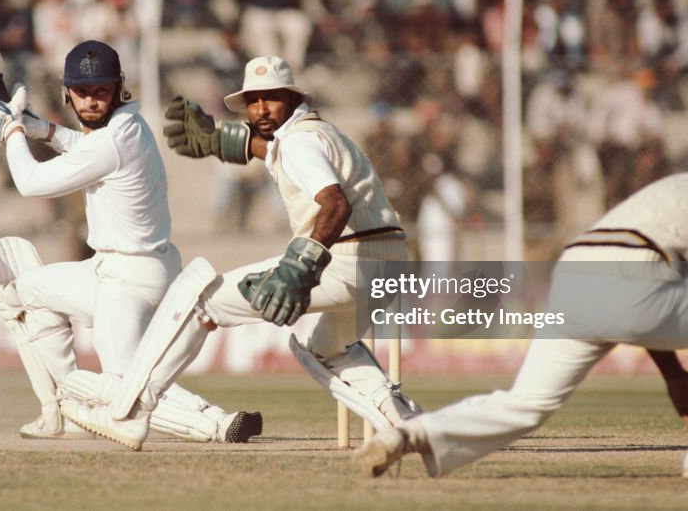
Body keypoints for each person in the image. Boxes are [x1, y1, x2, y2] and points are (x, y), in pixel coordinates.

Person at [60, 55, 419, 450]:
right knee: (327, 349)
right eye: (254, 100)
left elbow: (335, 204)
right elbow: (271, 151)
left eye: (271, 99)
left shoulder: (300, 142)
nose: (261, 109)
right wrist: (218, 140)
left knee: (198, 301)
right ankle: (405, 422)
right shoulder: (315, 132)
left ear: (291, 97)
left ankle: (132, 413)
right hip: (388, 263)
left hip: (345, 261)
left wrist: (302, 265)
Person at [354, 147, 688, 481]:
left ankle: (408, 434)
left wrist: (674, 373)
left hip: (576, 273)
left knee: (525, 404)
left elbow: (664, 294)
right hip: (634, 277)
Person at [0, 39, 262, 443]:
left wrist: (12, 130)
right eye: (83, 92)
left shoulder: (112, 141)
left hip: (129, 281)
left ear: (118, 88)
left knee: (127, 389)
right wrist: (41, 128)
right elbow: (85, 147)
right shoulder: (128, 126)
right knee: (20, 293)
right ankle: (59, 411)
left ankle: (218, 422)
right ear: (67, 92)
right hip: (115, 269)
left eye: (101, 91)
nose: (92, 101)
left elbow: (30, 182)